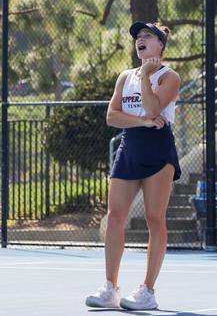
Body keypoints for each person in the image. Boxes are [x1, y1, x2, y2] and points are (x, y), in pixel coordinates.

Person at [85, 22, 181, 310]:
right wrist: (140, 121)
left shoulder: (170, 76)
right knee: (115, 217)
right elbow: (112, 116)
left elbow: (154, 110)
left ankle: (148, 291)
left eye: (147, 36)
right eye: (138, 36)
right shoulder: (124, 75)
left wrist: (146, 79)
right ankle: (110, 288)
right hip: (130, 145)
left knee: (154, 218)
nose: (140, 39)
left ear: (160, 45)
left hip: (158, 147)